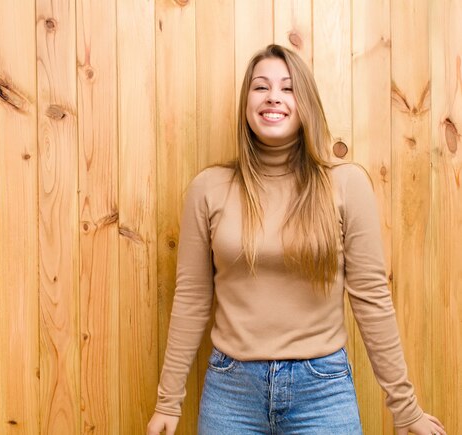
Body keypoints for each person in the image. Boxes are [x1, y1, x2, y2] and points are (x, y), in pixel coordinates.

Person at [146, 44, 446, 435]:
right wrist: (168, 401)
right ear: (246, 103)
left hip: (322, 390)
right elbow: (191, 297)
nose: (274, 96)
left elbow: (371, 296)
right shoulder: (208, 189)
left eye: (288, 88)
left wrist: (405, 410)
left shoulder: (346, 185)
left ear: (305, 102)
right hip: (231, 391)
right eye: (261, 87)